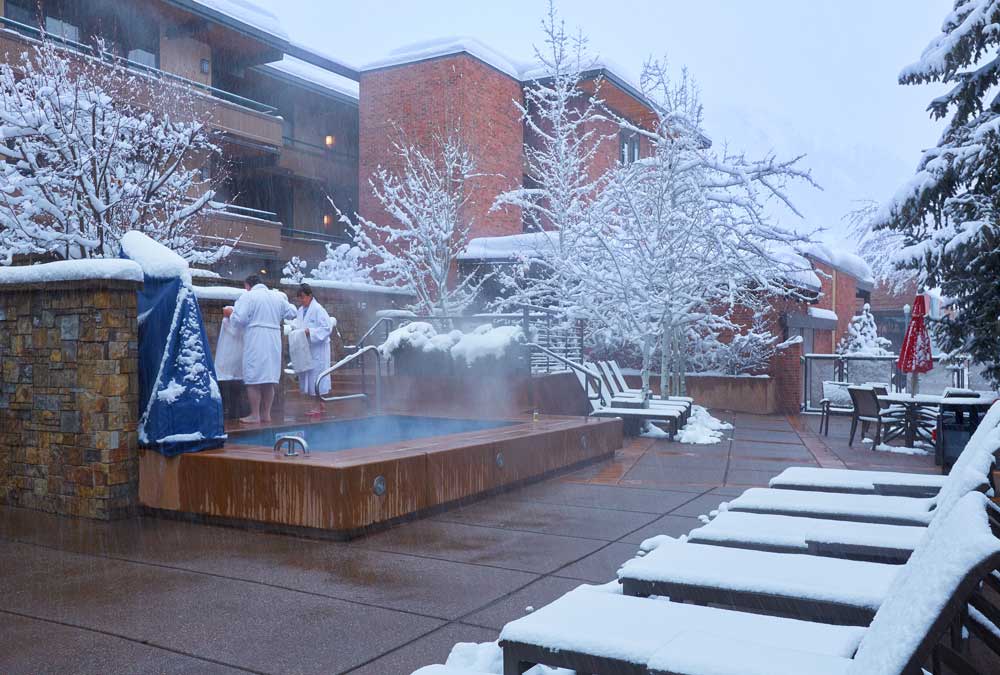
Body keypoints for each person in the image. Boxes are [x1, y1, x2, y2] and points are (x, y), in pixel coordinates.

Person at [224, 275, 296, 424]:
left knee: (253, 378)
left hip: (256, 339)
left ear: (248, 285)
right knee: (269, 378)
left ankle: (255, 414)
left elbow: (239, 320)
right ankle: (266, 414)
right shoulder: (277, 297)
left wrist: (231, 314)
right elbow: (292, 312)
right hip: (273, 339)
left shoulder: (249, 297)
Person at [294, 283, 335, 415]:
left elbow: (326, 328)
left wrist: (310, 332)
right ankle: (320, 404)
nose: (301, 301)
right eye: (299, 298)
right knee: (310, 376)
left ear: (310, 296)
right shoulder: (300, 311)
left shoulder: (318, 309)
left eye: (303, 297)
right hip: (307, 349)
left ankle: (318, 405)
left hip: (318, 349)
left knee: (318, 376)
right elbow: (297, 325)